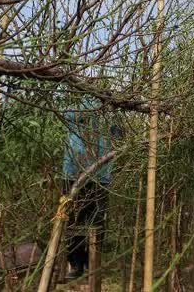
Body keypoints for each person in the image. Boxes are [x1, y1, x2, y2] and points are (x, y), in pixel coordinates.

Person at [62, 96, 121, 279]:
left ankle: (90, 263)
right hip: (73, 173)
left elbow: (119, 134)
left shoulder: (110, 112)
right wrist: (97, 106)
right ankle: (76, 264)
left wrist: (113, 109)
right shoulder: (74, 107)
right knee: (73, 221)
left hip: (100, 176)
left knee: (97, 222)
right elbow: (69, 115)